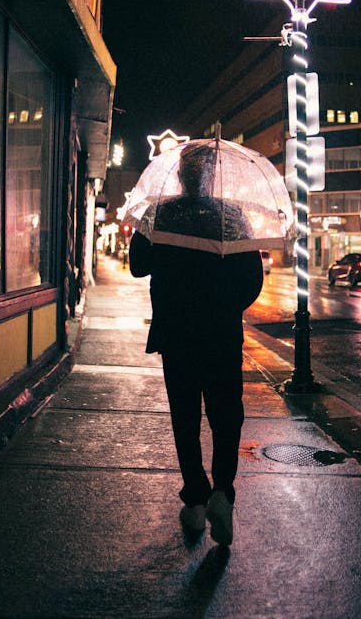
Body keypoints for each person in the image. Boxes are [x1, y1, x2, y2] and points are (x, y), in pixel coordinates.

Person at [129, 145, 263, 546]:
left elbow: (138, 265)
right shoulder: (232, 216)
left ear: (180, 176)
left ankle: (196, 498)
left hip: (177, 334)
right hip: (221, 336)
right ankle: (222, 492)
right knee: (226, 417)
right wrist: (223, 308)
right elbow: (252, 280)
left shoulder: (163, 213)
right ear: (213, 175)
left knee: (185, 419)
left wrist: (144, 224)